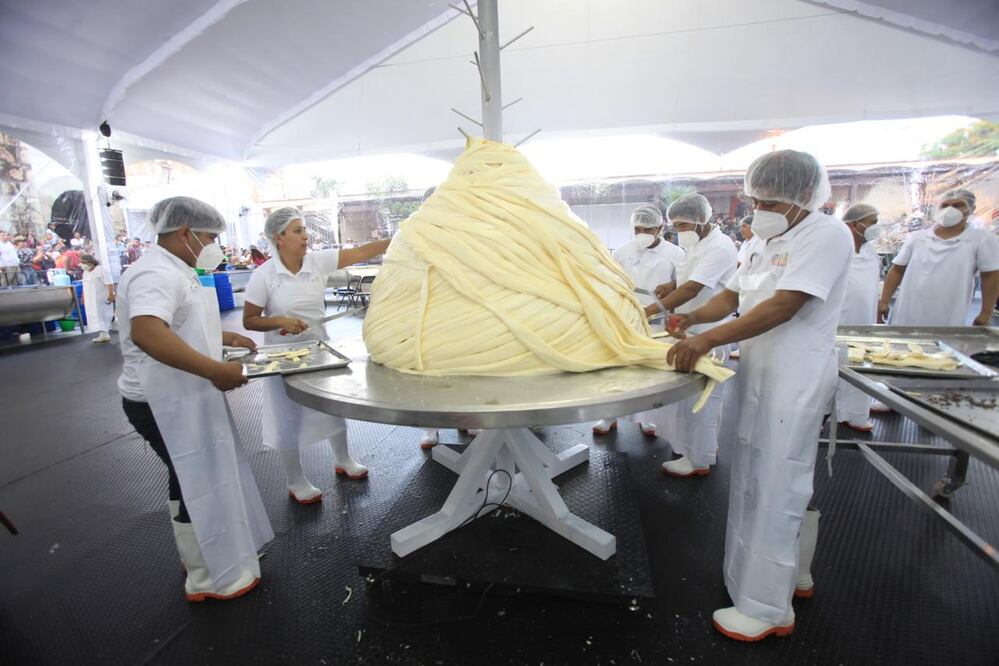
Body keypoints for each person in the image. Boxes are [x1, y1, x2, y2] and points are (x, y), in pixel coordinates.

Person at [666, 150, 852, 641]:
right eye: (755, 198)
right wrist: (693, 317)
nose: (759, 206)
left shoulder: (825, 234)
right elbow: (735, 295)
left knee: (777, 484)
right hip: (760, 372)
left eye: (770, 198)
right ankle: (780, 577)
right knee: (753, 478)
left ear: (802, 197)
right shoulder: (762, 239)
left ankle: (769, 610)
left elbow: (785, 304)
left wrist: (707, 339)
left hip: (795, 376)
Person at [117, 196, 272, 601]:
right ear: (185, 233)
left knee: (187, 473)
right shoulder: (154, 273)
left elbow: (179, 323)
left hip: (179, 392)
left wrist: (224, 338)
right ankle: (206, 577)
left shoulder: (179, 268)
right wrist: (215, 369)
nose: (214, 245)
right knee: (194, 478)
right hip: (160, 400)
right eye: (210, 236)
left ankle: (200, 558)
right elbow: (148, 332)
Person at [243, 208, 389, 503]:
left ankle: (343, 459)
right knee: (286, 416)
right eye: (297, 231)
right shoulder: (265, 275)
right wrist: (280, 321)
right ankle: (295, 480)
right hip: (281, 355)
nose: (305, 236)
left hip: (319, 348)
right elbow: (250, 320)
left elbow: (360, 252)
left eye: (305, 230)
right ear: (278, 237)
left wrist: (400, 238)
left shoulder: (317, 262)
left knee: (333, 406)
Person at [645, 193, 738, 476]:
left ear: (702, 220)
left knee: (702, 395)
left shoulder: (719, 247)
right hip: (691, 325)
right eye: (676, 226)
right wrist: (670, 283)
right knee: (697, 394)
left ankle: (698, 459)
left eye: (684, 224)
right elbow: (686, 278)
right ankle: (702, 446)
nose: (680, 231)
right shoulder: (698, 244)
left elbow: (693, 288)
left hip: (708, 328)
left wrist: (648, 311)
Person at [593, 204, 684, 436]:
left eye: (648, 228)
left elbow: (681, 287)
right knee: (617, 367)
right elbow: (612, 282)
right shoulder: (621, 251)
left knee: (650, 370)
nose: (642, 233)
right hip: (625, 318)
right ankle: (609, 414)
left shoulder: (675, 254)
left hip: (658, 322)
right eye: (637, 229)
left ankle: (648, 417)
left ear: (660, 227)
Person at [879, 188, 999, 326]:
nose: (950, 210)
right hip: (907, 311)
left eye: (957, 205)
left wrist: (986, 313)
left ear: (971, 209)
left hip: (947, 315)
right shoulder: (918, 238)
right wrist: (884, 301)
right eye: (945, 205)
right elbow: (897, 270)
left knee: (942, 344)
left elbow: (991, 276)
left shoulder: (981, 240)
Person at [836, 204, 883, 431]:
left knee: (858, 365)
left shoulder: (870, 251)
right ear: (855, 224)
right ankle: (830, 413)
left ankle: (854, 413)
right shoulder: (835, 247)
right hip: (836, 318)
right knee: (832, 367)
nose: (876, 227)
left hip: (862, 319)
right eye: (872, 222)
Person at [80, 253, 115, 343]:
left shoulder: (101, 270)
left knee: (103, 314)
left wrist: (111, 294)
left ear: (91, 262)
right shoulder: (85, 273)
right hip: (91, 299)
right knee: (95, 315)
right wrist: (83, 296)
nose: (82, 265)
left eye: (83, 262)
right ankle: (103, 334)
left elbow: (109, 282)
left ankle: (105, 332)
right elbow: (85, 285)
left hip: (101, 297)